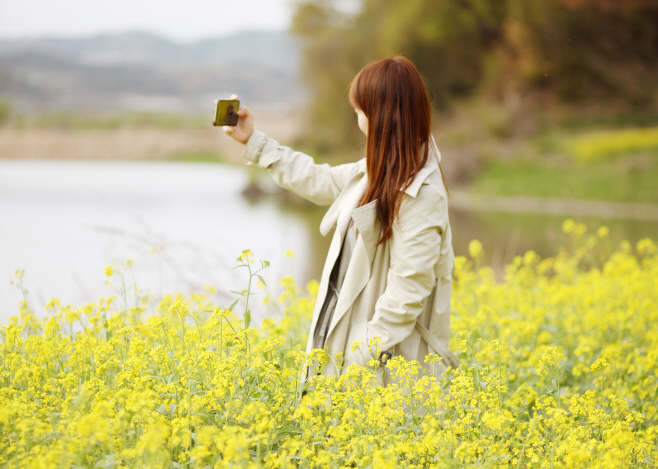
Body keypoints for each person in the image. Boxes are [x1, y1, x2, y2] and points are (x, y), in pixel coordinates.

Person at [223, 56, 459, 385]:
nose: (358, 118)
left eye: (361, 110)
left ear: (380, 115)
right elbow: (321, 180)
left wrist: (357, 355)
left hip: (387, 371)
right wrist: (254, 141)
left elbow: (408, 292)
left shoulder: (421, 194)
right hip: (355, 361)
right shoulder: (380, 170)